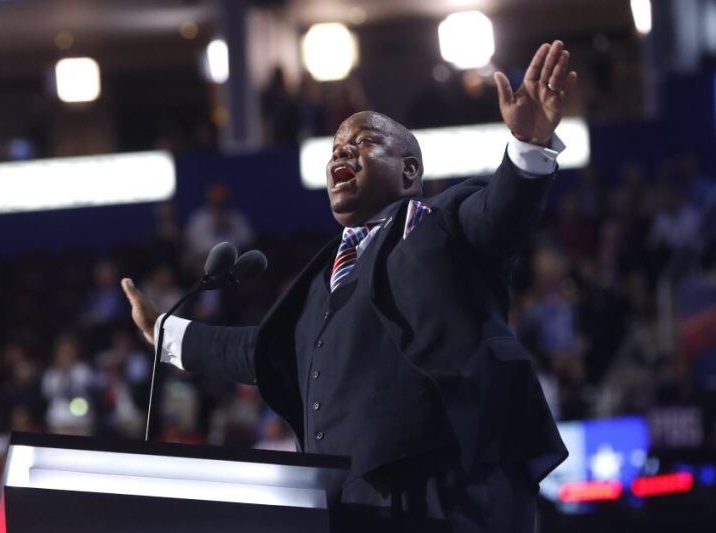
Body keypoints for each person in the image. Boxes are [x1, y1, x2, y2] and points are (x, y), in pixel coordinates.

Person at [123, 41, 577, 532]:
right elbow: (261, 350)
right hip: (349, 505)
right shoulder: (320, 279)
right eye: (337, 147)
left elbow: (501, 214)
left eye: (362, 143)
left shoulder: (442, 221)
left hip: (447, 489)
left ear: (409, 171)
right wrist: (166, 333)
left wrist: (527, 150)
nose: (342, 151)